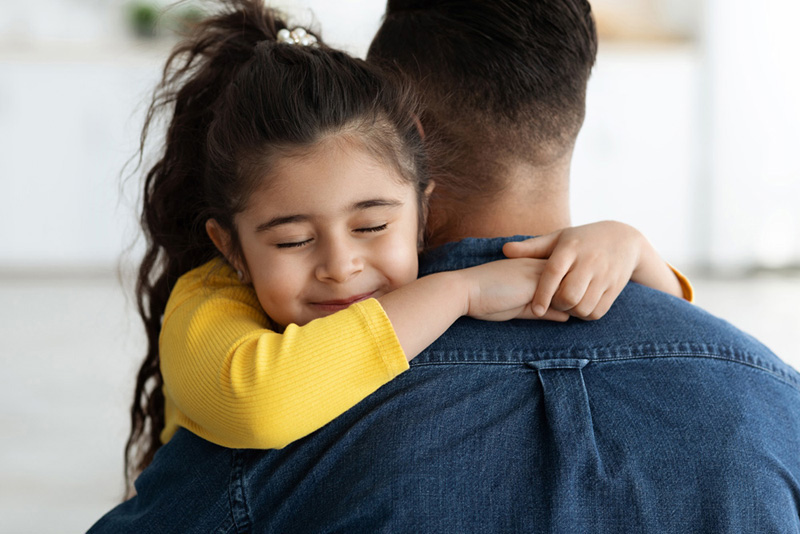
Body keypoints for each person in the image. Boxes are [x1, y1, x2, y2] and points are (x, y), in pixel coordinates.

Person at [90, 0, 800, 532]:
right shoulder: (773, 400)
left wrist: (644, 267)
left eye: (369, 223)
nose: (340, 268)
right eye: (293, 238)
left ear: (412, 145)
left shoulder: (276, 449)